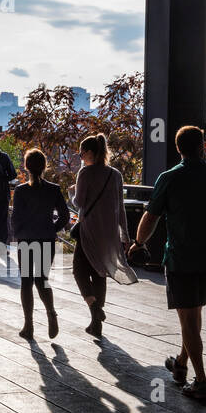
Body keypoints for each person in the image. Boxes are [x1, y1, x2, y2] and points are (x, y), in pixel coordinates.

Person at [129, 125, 206, 402]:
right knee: (194, 315)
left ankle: (200, 381)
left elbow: (151, 216)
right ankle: (180, 364)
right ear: (203, 146)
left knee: (188, 319)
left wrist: (139, 243)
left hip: (180, 258)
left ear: (178, 148)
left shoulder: (169, 178)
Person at [70, 133, 137, 338]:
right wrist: (125, 236)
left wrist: (72, 193)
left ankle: (94, 309)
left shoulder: (86, 173)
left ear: (90, 152)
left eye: (82, 153)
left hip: (89, 230)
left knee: (79, 270)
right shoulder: (115, 174)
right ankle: (95, 324)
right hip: (109, 234)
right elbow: (121, 208)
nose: (81, 157)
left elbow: (79, 203)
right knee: (100, 273)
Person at [11, 149, 68, 340]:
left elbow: (15, 217)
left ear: (26, 166)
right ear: (45, 166)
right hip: (46, 239)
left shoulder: (21, 190)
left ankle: (29, 325)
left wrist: (18, 234)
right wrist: (52, 229)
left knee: (26, 282)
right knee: (42, 279)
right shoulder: (54, 189)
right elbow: (65, 216)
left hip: (26, 239)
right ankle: (51, 312)